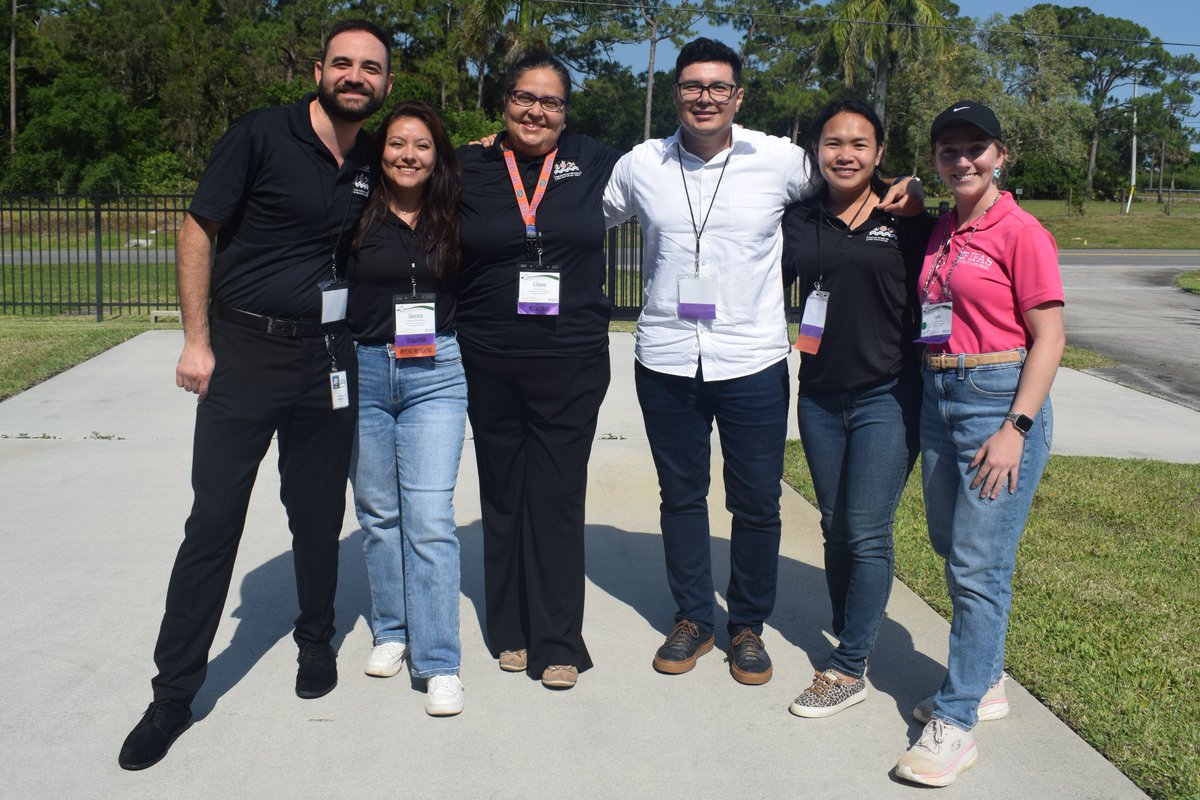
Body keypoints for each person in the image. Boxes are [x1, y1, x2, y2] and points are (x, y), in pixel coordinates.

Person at [603, 39, 923, 685]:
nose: (705, 97)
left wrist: (904, 188)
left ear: (738, 96)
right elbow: (583, 219)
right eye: (693, 86)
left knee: (756, 503)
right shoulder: (640, 164)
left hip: (751, 360)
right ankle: (693, 616)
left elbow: (848, 175)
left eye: (719, 87)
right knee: (682, 497)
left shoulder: (780, 160)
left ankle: (747, 625)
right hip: (666, 356)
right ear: (676, 93)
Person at [117, 20, 393, 770]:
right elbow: (199, 229)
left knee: (315, 514)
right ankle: (173, 693)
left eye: (371, 68)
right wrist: (196, 339)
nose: (355, 76)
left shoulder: (374, 153)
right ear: (319, 69)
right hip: (244, 353)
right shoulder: (260, 136)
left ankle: (314, 640)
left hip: (329, 359)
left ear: (386, 84)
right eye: (343, 63)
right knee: (213, 522)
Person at [894, 101, 1064, 787]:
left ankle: (958, 720)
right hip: (939, 395)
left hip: (998, 397)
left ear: (1000, 155)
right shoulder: (940, 227)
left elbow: (1049, 337)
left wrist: (1015, 429)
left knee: (978, 563)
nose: (961, 161)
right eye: (948, 150)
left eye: (975, 149)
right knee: (946, 537)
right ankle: (986, 675)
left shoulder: (1022, 231)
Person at [455, 53, 622, 689]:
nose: (536, 112)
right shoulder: (468, 163)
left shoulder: (595, 159)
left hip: (570, 358)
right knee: (502, 493)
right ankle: (510, 628)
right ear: (504, 102)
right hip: (488, 355)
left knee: (555, 496)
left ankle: (557, 638)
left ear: (566, 111)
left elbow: (682, 157)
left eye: (551, 102)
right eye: (525, 98)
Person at [782, 98, 931, 716]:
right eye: (834, 143)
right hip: (818, 393)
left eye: (860, 143)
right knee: (834, 525)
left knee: (866, 531)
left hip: (888, 394)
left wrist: (918, 190)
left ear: (879, 151)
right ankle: (854, 630)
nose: (846, 154)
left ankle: (847, 665)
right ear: (817, 150)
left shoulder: (909, 216)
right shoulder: (797, 216)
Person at [346, 100, 466, 716]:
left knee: (428, 517)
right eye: (397, 144)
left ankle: (440, 661)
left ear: (436, 154)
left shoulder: (455, 212)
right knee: (378, 513)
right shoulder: (357, 213)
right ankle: (391, 631)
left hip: (436, 375)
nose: (408, 156)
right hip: (366, 370)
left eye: (421, 145)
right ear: (381, 151)